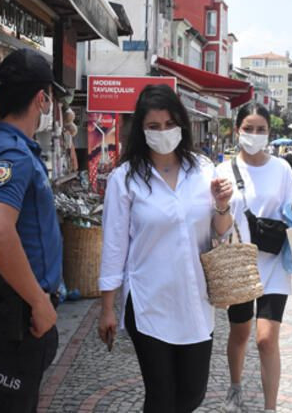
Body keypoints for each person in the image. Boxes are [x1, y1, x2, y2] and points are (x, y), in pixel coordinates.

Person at [97, 85, 234, 413]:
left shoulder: (202, 170)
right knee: (161, 398)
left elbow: (222, 233)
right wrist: (107, 308)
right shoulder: (125, 179)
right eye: (153, 126)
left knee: (192, 395)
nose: (163, 133)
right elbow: (114, 246)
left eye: (169, 124)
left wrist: (222, 206)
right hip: (148, 304)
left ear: (182, 125)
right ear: (141, 130)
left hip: (195, 301)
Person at [0, 49, 64, 411]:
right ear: (42, 99)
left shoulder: (10, 148)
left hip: (16, 313)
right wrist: (39, 302)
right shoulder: (14, 156)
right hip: (17, 315)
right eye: (50, 97)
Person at [216, 103, 292, 413]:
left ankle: (270, 408)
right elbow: (217, 224)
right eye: (249, 129)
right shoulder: (223, 170)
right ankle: (236, 385)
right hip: (239, 263)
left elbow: (290, 215)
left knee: (266, 339)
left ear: (269, 133)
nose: (255, 135)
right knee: (240, 333)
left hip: (273, 263)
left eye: (261, 129)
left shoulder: (281, 168)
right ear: (237, 130)